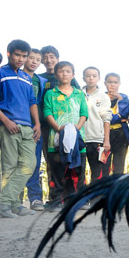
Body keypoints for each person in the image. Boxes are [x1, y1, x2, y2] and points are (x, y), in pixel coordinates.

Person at [0, 40, 39, 218]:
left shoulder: (27, 78)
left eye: (24, 56)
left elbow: (32, 102)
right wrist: (5, 121)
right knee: (9, 166)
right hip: (8, 125)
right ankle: (15, 205)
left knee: (29, 164)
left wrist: (37, 124)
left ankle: (4, 202)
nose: (21, 59)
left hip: (28, 127)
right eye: (17, 55)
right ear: (9, 53)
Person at [43, 61, 88, 207]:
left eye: (68, 71)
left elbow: (84, 113)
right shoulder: (50, 93)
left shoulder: (79, 94)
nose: (64, 74)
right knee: (57, 171)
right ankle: (56, 201)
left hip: (78, 139)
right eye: (61, 71)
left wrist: (77, 128)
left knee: (77, 170)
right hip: (55, 138)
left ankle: (75, 200)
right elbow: (47, 112)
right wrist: (58, 128)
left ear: (73, 75)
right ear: (56, 74)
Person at [22, 49, 47, 210]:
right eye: (31, 58)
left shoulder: (41, 80)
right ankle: (13, 198)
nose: (34, 62)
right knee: (14, 162)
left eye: (38, 60)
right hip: (16, 123)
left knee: (35, 162)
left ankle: (35, 197)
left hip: (36, 126)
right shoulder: (15, 75)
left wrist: (39, 124)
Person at [82, 66, 112, 183]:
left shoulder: (103, 96)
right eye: (88, 76)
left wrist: (106, 140)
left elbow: (106, 119)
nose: (91, 78)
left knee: (97, 172)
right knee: (79, 171)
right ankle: (82, 198)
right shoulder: (78, 93)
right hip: (81, 138)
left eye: (94, 76)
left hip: (96, 139)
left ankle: (96, 199)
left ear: (99, 78)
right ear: (83, 78)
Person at [101, 73, 129, 176]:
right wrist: (118, 118)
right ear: (105, 83)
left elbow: (125, 114)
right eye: (110, 82)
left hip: (120, 134)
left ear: (119, 84)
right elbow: (101, 116)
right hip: (104, 134)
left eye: (115, 82)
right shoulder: (100, 97)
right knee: (104, 165)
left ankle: (117, 189)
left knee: (118, 166)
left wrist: (119, 98)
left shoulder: (124, 97)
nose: (112, 85)